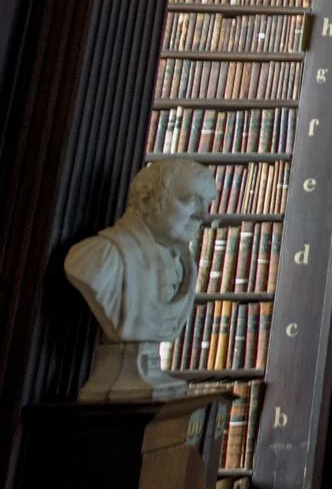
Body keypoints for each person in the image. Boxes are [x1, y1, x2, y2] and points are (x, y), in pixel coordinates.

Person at [65, 157, 218, 400]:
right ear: (147, 201)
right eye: (190, 200)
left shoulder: (183, 264)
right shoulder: (101, 258)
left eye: (207, 204)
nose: (202, 215)